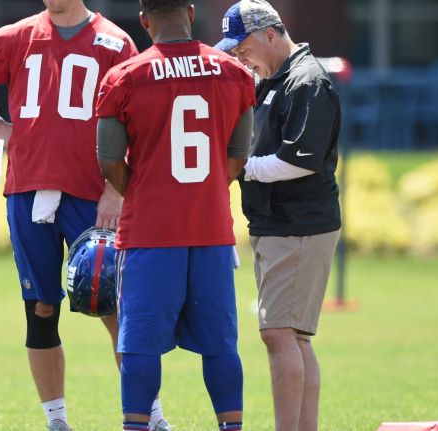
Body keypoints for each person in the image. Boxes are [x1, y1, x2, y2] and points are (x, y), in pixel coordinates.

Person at [0, 1, 171, 430]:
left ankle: (150, 416)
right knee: (40, 309)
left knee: (118, 307)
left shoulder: (113, 40)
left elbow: (138, 119)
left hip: (90, 191)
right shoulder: (17, 35)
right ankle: (56, 421)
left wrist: (116, 187)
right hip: (28, 188)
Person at [95, 0, 256, 430]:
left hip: (150, 233)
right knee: (221, 345)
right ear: (190, 12)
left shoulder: (124, 77)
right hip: (211, 230)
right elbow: (239, 153)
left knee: (140, 346)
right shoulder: (234, 72)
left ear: (144, 20)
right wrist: (201, 193)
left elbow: (108, 160)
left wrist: (145, 194)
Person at [214, 1, 342, 430]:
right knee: (294, 338)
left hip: (299, 223)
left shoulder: (306, 81)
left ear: (271, 33)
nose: (238, 56)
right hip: (279, 223)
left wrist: (235, 167)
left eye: (243, 46)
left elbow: (299, 160)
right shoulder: (273, 80)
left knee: (279, 335)